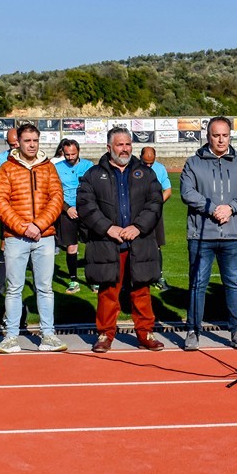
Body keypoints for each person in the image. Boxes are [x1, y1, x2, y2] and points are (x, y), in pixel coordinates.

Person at [77, 127, 166, 353]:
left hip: (139, 242)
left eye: (127, 144)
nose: (124, 149)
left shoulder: (145, 173)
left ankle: (145, 332)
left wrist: (138, 227)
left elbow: (155, 202)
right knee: (108, 291)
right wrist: (108, 228)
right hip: (108, 243)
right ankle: (105, 334)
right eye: (119, 144)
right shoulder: (93, 174)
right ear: (109, 148)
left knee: (141, 290)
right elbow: (86, 206)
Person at [0, 123, 67, 353]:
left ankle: (48, 335)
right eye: (27, 141)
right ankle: (11, 336)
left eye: (35, 140)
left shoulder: (48, 169)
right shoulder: (7, 168)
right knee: (14, 288)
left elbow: (56, 198)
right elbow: (0, 202)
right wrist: (22, 227)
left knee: (44, 288)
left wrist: (39, 225)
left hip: (44, 237)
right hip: (16, 237)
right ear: (19, 142)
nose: (32, 145)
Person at [179, 116, 237, 350]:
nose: (221, 140)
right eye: (216, 135)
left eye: (225, 135)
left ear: (230, 136)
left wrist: (231, 208)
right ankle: (193, 330)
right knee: (198, 284)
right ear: (208, 136)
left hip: (232, 235)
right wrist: (212, 208)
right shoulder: (193, 162)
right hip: (201, 235)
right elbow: (187, 192)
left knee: (232, 284)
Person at [54, 139, 93, 294]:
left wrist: (85, 207)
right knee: (71, 246)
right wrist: (67, 208)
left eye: (73, 154)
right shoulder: (56, 168)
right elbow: (54, 193)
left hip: (86, 212)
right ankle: (73, 280)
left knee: (91, 245)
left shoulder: (88, 166)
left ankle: (94, 280)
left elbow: (94, 190)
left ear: (79, 151)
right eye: (67, 154)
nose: (70, 157)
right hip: (66, 212)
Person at [0, 128, 19, 295]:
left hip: (28, 209)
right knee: (4, 244)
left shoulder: (32, 157)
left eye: (16, 143)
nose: (14, 146)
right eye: (11, 144)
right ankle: (2, 283)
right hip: (9, 210)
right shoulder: (1, 159)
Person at [140, 146, 172, 290]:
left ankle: (158, 276)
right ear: (140, 157)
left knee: (156, 245)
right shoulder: (133, 168)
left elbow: (168, 190)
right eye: (145, 163)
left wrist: (156, 204)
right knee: (137, 245)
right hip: (137, 214)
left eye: (150, 163)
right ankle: (137, 277)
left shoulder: (160, 168)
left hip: (154, 213)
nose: (148, 166)